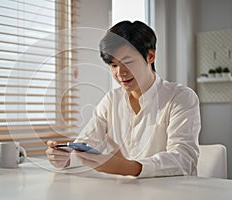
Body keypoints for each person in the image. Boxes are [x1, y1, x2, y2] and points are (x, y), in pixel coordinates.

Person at [46, 20, 201, 178]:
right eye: (113, 65)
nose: (120, 73)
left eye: (127, 62)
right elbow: (85, 144)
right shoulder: (112, 100)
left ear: (150, 56)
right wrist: (64, 158)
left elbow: (184, 159)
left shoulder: (180, 97)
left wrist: (129, 168)